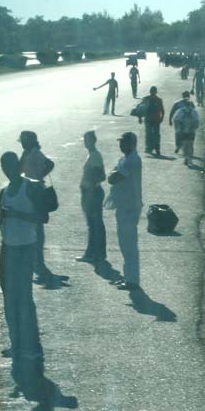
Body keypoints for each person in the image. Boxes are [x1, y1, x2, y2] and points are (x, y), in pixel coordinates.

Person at [0, 151, 47, 393]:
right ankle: (16, 344)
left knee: (24, 299)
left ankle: (32, 348)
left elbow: (42, 217)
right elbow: (5, 221)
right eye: (4, 165)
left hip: (25, 249)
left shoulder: (29, 187)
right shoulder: (3, 191)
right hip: (7, 248)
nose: (7, 169)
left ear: (19, 165)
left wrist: (16, 215)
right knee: (9, 298)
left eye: (11, 164)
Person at [18, 130, 65, 288]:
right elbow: (19, 169)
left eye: (24, 141)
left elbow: (50, 164)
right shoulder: (27, 152)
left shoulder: (36, 153)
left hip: (36, 191)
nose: (22, 144)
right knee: (32, 228)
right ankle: (36, 264)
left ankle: (39, 265)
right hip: (28, 191)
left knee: (37, 229)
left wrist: (38, 176)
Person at [105, 131, 143, 290]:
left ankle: (132, 280)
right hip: (124, 206)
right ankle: (129, 277)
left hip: (129, 207)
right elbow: (112, 175)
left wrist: (113, 174)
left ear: (132, 143)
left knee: (128, 245)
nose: (121, 145)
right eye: (120, 142)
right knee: (125, 245)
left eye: (124, 142)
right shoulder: (125, 158)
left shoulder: (131, 160)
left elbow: (113, 178)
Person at [77, 130, 106, 264]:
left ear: (93, 140)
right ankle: (99, 253)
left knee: (93, 225)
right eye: (84, 139)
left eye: (87, 139)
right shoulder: (93, 155)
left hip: (92, 193)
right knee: (96, 224)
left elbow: (98, 174)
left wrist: (89, 188)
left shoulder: (94, 156)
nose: (85, 142)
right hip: (92, 192)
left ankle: (92, 253)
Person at [172, 98, 200, 166]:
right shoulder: (194, 112)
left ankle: (186, 158)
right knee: (190, 145)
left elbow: (175, 119)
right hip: (191, 131)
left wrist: (177, 128)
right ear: (191, 104)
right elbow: (197, 121)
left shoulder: (180, 111)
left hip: (182, 131)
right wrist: (195, 128)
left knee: (184, 144)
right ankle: (189, 158)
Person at [138, 85, 165, 156]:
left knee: (149, 134)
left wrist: (140, 118)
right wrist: (161, 118)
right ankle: (156, 148)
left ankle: (149, 148)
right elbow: (162, 110)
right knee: (155, 134)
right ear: (156, 92)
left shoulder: (146, 99)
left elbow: (140, 109)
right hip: (155, 119)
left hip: (149, 119)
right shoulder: (159, 100)